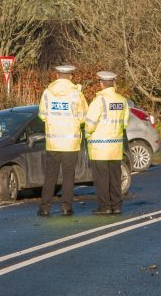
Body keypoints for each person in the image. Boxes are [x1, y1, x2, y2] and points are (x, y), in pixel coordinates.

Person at [37, 64, 88, 216]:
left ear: (57, 75)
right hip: (71, 142)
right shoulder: (76, 94)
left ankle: (45, 207)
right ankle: (66, 207)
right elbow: (83, 116)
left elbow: (42, 115)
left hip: (53, 142)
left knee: (50, 176)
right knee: (68, 176)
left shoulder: (47, 93)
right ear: (71, 76)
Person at [85, 70, 130, 215]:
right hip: (116, 147)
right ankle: (116, 206)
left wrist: (87, 133)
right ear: (113, 83)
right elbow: (125, 123)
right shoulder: (122, 101)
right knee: (115, 178)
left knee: (102, 180)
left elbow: (90, 124)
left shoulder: (99, 101)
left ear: (101, 83)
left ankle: (105, 207)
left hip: (100, 148)